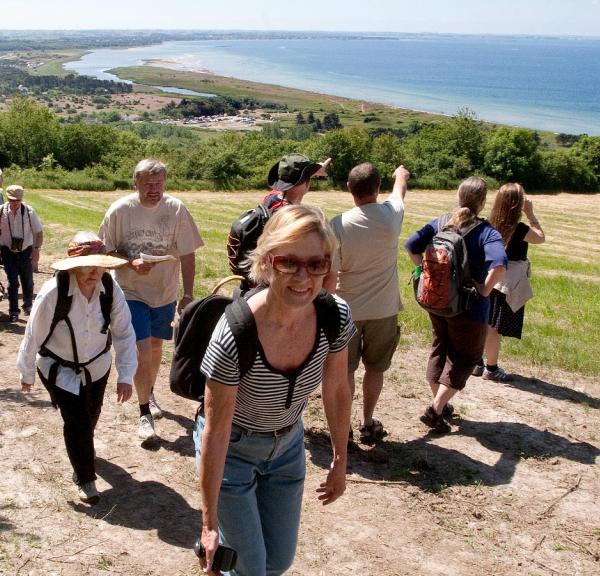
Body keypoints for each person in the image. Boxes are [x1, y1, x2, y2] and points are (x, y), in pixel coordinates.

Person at [195, 205, 354, 576]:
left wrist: (340, 460)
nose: (304, 276)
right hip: (233, 449)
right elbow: (216, 432)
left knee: (278, 562)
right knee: (252, 569)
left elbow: (336, 389)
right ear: (267, 262)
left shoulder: (335, 316)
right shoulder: (234, 332)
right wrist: (208, 524)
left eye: (317, 264)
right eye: (289, 262)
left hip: (287, 447)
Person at [17, 232, 137, 504]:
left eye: (99, 264)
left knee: (91, 415)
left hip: (97, 365)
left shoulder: (111, 289)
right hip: (58, 369)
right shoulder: (53, 292)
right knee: (78, 422)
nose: (94, 271)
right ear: (73, 266)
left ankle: (83, 450)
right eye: (87, 265)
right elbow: (32, 336)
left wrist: (126, 374)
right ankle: (85, 477)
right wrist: (26, 373)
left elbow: (124, 333)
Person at [98, 158, 203, 442]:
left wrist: (189, 293)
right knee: (142, 348)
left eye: (159, 183)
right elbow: (104, 252)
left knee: (156, 347)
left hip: (164, 293)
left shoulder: (176, 209)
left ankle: (149, 391)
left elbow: (188, 254)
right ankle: (144, 412)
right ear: (136, 184)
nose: (154, 189)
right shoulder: (120, 211)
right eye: (148, 184)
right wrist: (130, 262)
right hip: (130, 292)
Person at [404, 177, 507, 433]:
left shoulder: (441, 222)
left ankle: (440, 402)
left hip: (435, 301)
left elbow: (411, 244)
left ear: (458, 197)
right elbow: (500, 264)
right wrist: (484, 290)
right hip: (469, 308)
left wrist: (422, 272)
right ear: (482, 203)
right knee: (465, 358)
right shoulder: (486, 232)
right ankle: (436, 408)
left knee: (440, 349)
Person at [326, 163, 410, 443]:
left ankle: (344, 427)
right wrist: (400, 176)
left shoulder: (337, 225)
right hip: (383, 310)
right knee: (375, 369)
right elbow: (399, 193)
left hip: (345, 310)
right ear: (377, 189)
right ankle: (368, 420)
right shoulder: (391, 216)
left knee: (344, 372)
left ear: (349, 189)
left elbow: (332, 274)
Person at [472, 183, 545, 381]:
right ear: (518, 204)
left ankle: (477, 363)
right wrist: (531, 214)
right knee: (495, 329)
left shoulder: (487, 224)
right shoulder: (520, 229)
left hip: (488, 278)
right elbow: (540, 238)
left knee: (484, 323)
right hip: (507, 284)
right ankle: (492, 368)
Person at [227, 153, 331, 291]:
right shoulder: (293, 220)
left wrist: (312, 171)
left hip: (255, 282)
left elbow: (291, 182)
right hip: (276, 288)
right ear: (307, 183)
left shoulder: (271, 198)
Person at [0, 185, 43, 322]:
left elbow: (39, 232)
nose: (14, 203)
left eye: (17, 200)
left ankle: (28, 306)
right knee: (12, 282)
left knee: (27, 281)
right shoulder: (1, 211)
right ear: (7, 198)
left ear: (21, 199)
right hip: (7, 251)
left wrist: (36, 250)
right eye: (12, 200)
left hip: (25, 251)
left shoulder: (29, 211)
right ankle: (14, 311)